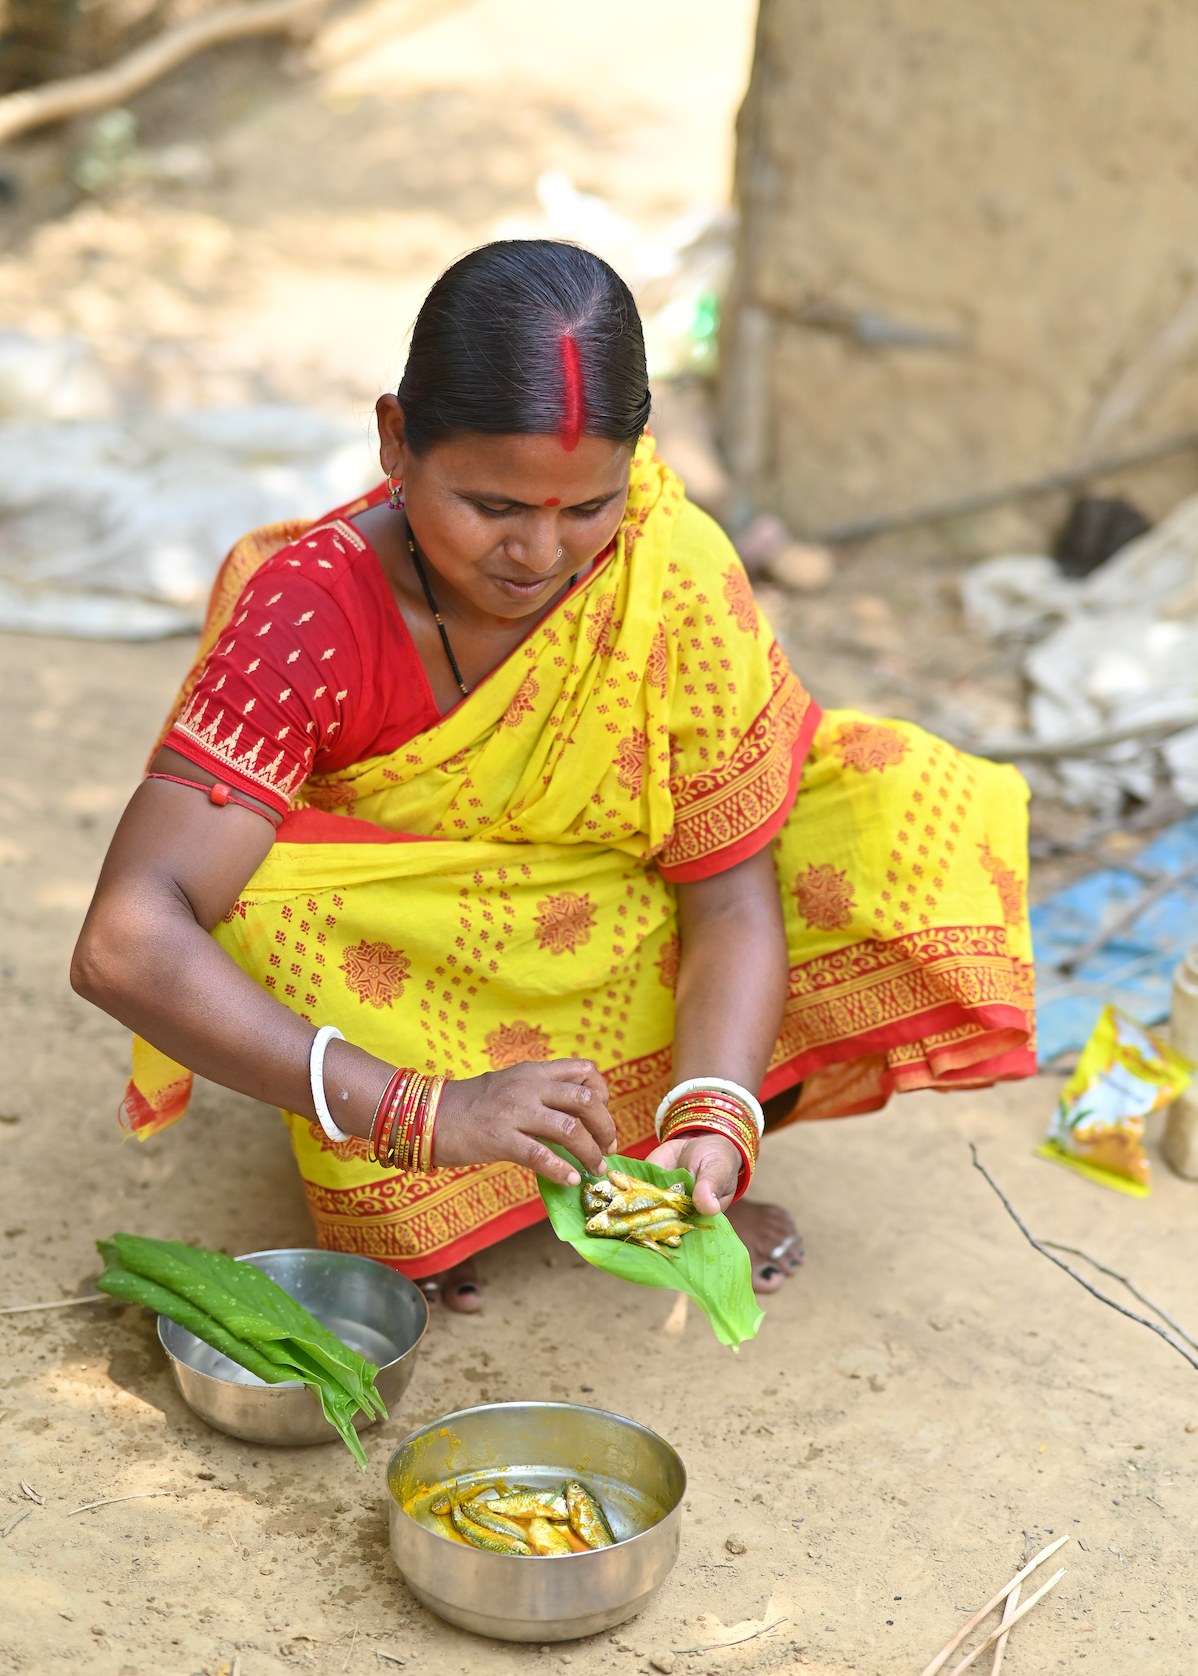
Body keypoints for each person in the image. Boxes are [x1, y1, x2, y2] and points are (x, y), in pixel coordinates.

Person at [71, 241, 1035, 1313]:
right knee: (273, 901)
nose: (540, 555)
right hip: (415, 963)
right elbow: (126, 938)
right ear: (396, 438)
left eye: (586, 507)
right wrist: (424, 1112)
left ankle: (646, 1173)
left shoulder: (670, 567)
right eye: (492, 506)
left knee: (889, 808)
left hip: (612, 922)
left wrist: (715, 1112)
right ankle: (448, 1176)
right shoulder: (314, 613)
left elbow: (726, 892)